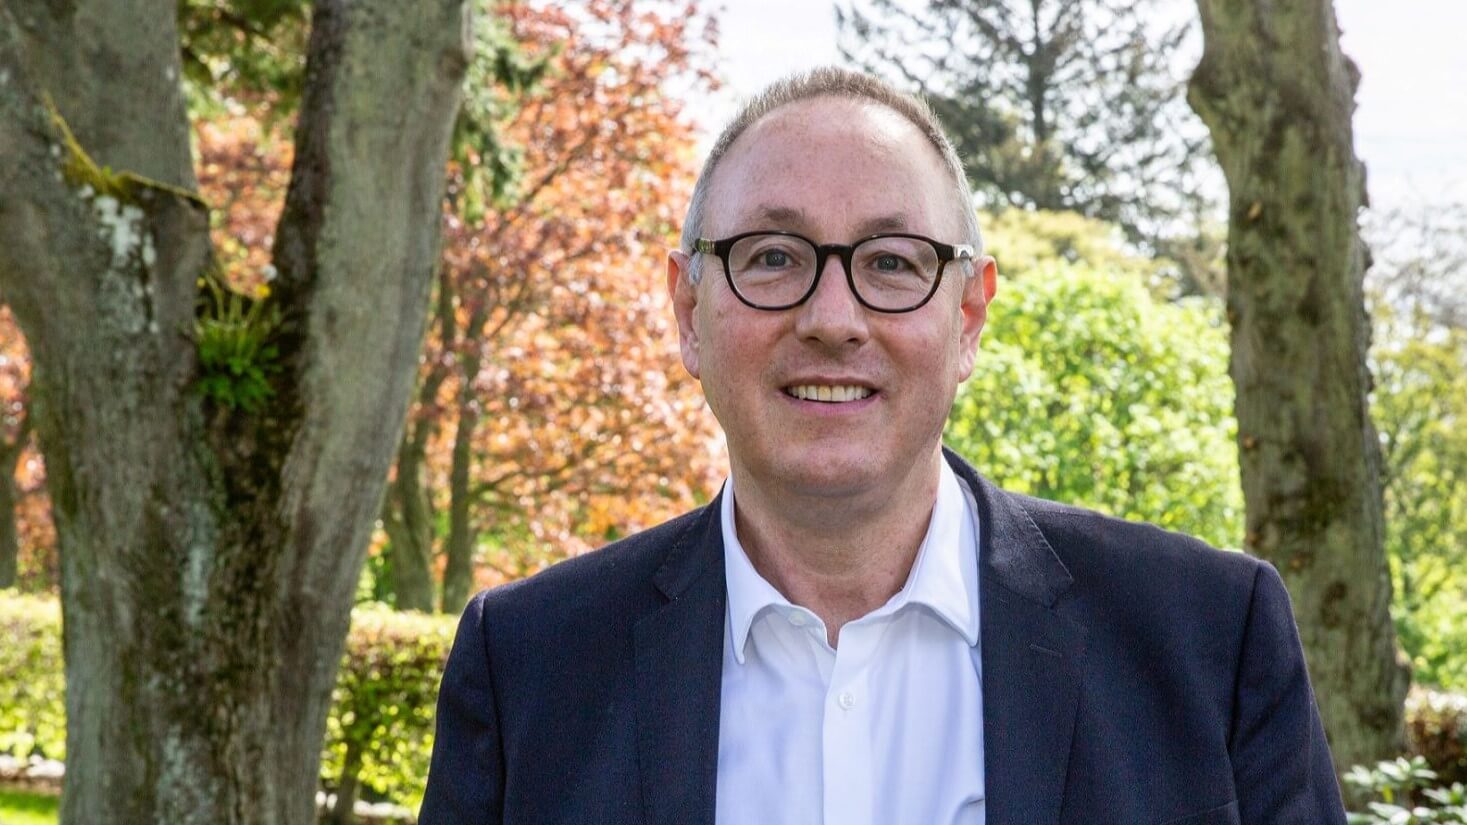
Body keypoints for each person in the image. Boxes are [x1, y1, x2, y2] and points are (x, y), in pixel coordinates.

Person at [419, 66, 1346, 825]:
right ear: (687, 311)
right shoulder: (530, 665)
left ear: (970, 316)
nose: (832, 318)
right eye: (773, 255)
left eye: (892, 262)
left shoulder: (1209, 642)